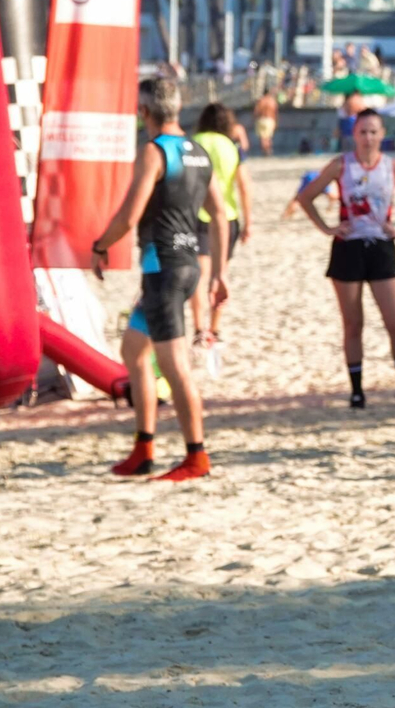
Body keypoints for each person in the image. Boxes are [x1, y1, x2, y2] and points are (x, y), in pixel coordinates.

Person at [90, 79, 227, 481]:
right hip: (186, 266)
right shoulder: (199, 151)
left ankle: (196, 457)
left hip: (163, 270)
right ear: (179, 109)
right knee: (133, 352)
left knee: (175, 366)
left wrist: (100, 246)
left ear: (144, 113)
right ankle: (144, 449)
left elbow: (130, 217)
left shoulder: (153, 152)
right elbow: (219, 214)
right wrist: (220, 272)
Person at [295, 108, 395, 409]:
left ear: (382, 135)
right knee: (353, 324)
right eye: (362, 132)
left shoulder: (393, 167)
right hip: (348, 248)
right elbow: (305, 197)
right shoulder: (342, 165)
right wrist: (326, 227)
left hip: (381, 247)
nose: (368, 138)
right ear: (353, 135)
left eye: (373, 132)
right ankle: (357, 391)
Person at [189, 103, 252, 365]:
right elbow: (244, 186)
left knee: (199, 277)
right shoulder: (231, 146)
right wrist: (249, 221)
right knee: (220, 274)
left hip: (196, 216)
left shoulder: (193, 143)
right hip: (226, 217)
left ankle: (197, 330)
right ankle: (214, 329)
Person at [253, 89, 278, 157]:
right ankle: (268, 150)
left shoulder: (260, 101)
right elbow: (275, 112)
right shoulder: (272, 101)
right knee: (268, 137)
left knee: (262, 138)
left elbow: (256, 111)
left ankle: (264, 151)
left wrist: (254, 120)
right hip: (270, 119)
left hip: (261, 119)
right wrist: (275, 121)